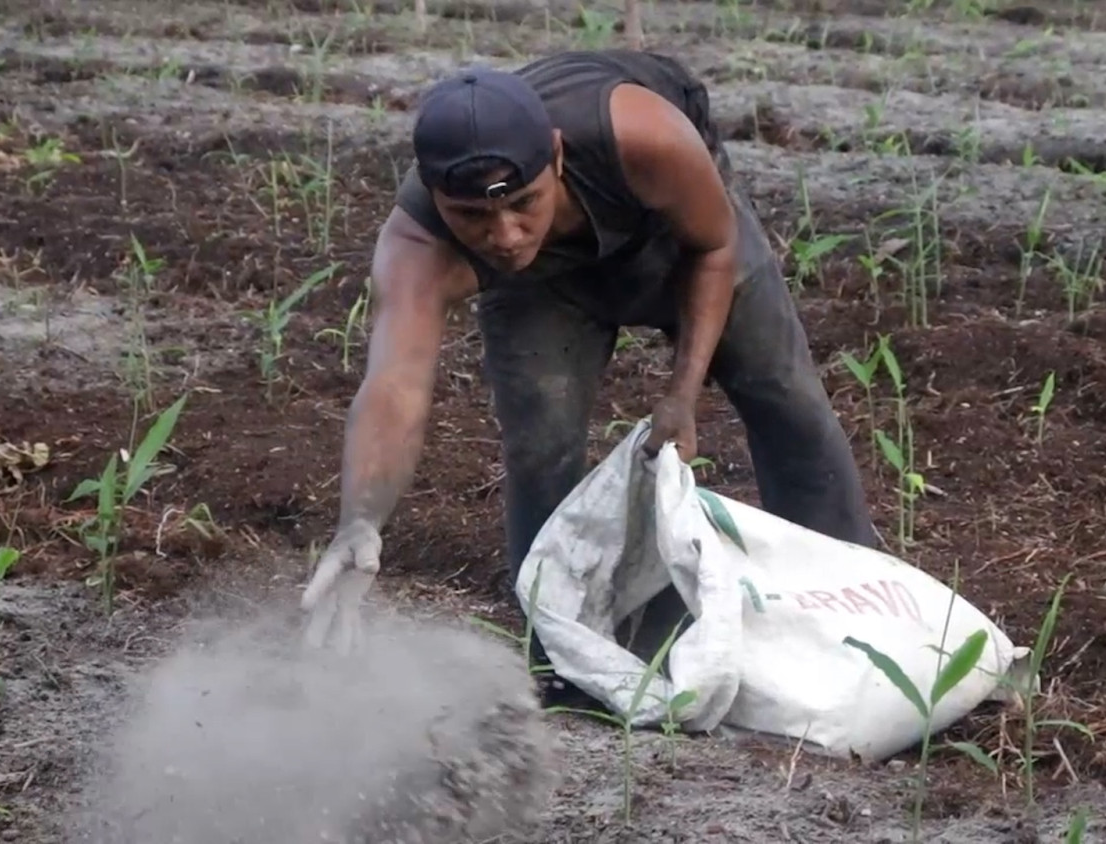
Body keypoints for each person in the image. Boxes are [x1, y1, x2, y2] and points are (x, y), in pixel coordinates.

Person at [299, 49, 880, 703]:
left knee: (783, 397)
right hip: (545, 291)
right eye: (473, 217)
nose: (506, 234)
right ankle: (566, 655)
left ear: (554, 155)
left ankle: (855, 613)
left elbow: (715, 246)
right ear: (435, 196)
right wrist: (361, 522)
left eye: (524, 203)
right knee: (540, 442)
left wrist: (683, 394)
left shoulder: (641, 135)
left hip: (678, 234)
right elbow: (395, 382)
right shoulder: (417, 245)